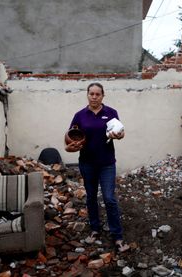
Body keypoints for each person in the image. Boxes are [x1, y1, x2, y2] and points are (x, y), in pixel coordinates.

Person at [65, 82, 130, 253]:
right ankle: (95, 229)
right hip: (87, 163)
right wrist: (68, 148)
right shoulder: (80, 115)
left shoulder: (111, 113)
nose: (94, 97)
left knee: (109, 198)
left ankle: (117, 236)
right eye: (91, 94)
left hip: (107, 163)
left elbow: (121, 132)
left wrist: (119, 135)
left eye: (97, 94)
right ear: (87, 95)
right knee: (91, 197)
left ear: (103, 96)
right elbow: (70, 138)